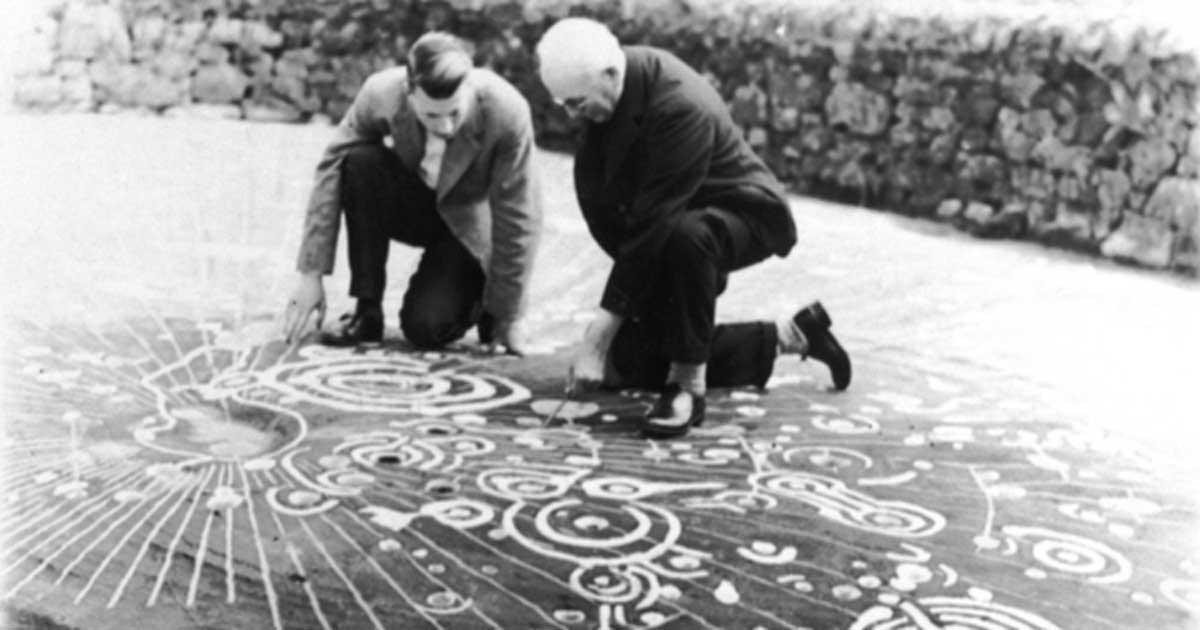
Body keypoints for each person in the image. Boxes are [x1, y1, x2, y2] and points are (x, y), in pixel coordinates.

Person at [535, 18, 851, 438]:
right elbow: (617, 213)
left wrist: (597, 334)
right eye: (565, 105)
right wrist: (647, 299)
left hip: (742, 212)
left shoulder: (681, 105)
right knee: (628, 362)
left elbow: (654, 223)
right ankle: (790, 336)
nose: (574, 115)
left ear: (611, 74)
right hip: (676, 223)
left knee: (688, 238)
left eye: (577, 103)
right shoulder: (609, 85)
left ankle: (687, 386)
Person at [282, 32, 541, 354]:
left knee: (426, 329)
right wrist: (311, 275)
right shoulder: (382, 93)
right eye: (432, 115)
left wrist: (509, 313)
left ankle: (480, 301)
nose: (445, 127)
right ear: (409, 94)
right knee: (359, 163)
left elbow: (519, 213)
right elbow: (331, 165)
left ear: (470, 90)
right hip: (419, 205)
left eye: (454, 113)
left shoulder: (508, 110)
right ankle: (367, 311)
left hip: (469, 225)